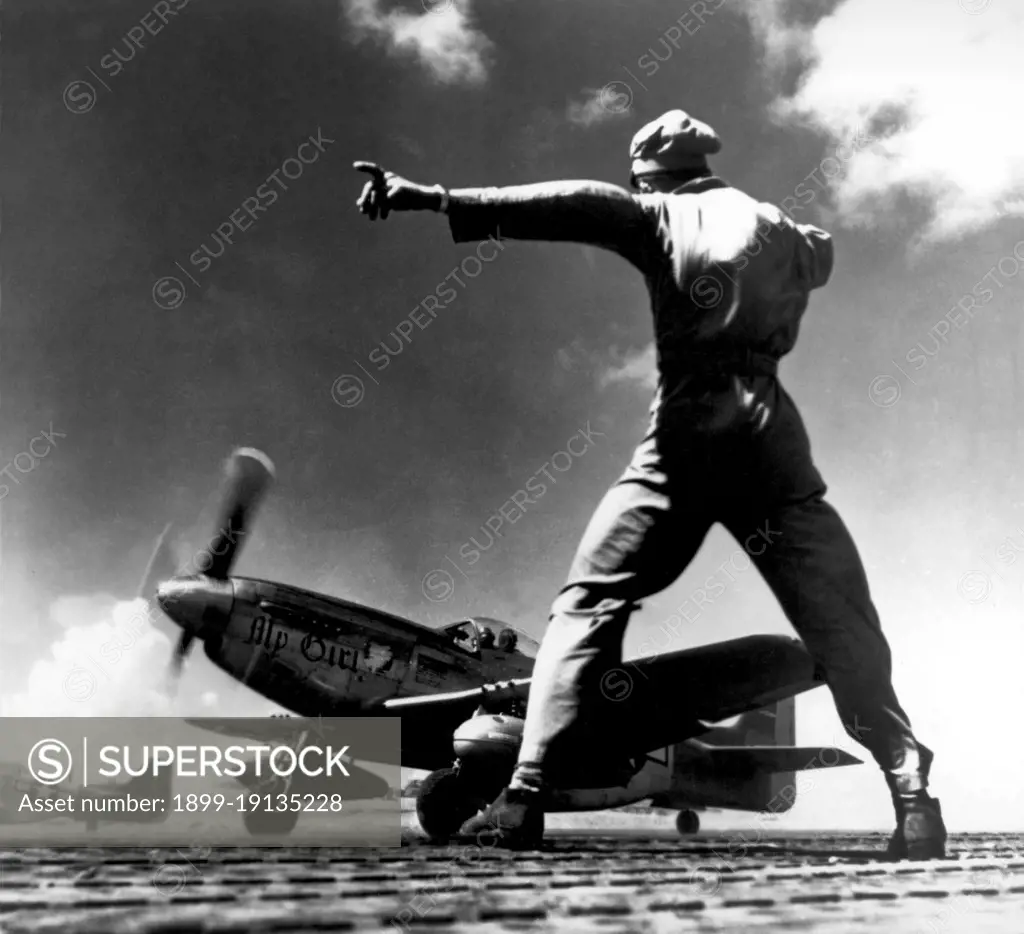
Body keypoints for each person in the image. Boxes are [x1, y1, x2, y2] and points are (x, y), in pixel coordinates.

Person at [353, 109, 947, 860]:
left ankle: (526, 791)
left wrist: (430, 196)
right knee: (842, 623)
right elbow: (821, 256)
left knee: (588, 604)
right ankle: (911, 789)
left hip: (688, 433)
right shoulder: (787, 235)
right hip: (773, 439)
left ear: (646, 172)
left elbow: (564, 204)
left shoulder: (654, 211)